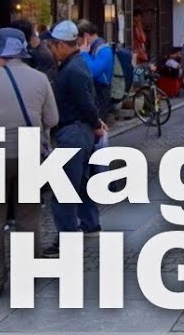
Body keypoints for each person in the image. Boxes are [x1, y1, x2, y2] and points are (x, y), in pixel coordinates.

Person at [0, 28, 58, 291]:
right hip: (29, 148)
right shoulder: (40, 79)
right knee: (29, 215)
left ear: (1, 54)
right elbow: (52, 119)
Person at [43, 20, 106, 253]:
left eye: (52, 45)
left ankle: (67, 238)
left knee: (64, 187)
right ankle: (90, 224)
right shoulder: (76, 65)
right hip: (81, 131)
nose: (50, 49)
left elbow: (87, 103)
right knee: (80, 182)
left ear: (61, 45)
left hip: (73, 131)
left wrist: (96, 122)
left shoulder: (72, 69)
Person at [76, 20, 114, 120]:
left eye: (78, 39)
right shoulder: (91, 48)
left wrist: (84, 54)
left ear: (85, 36)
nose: (77, 42)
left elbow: (93, 72)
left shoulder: (104, 49)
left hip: (101, 91)